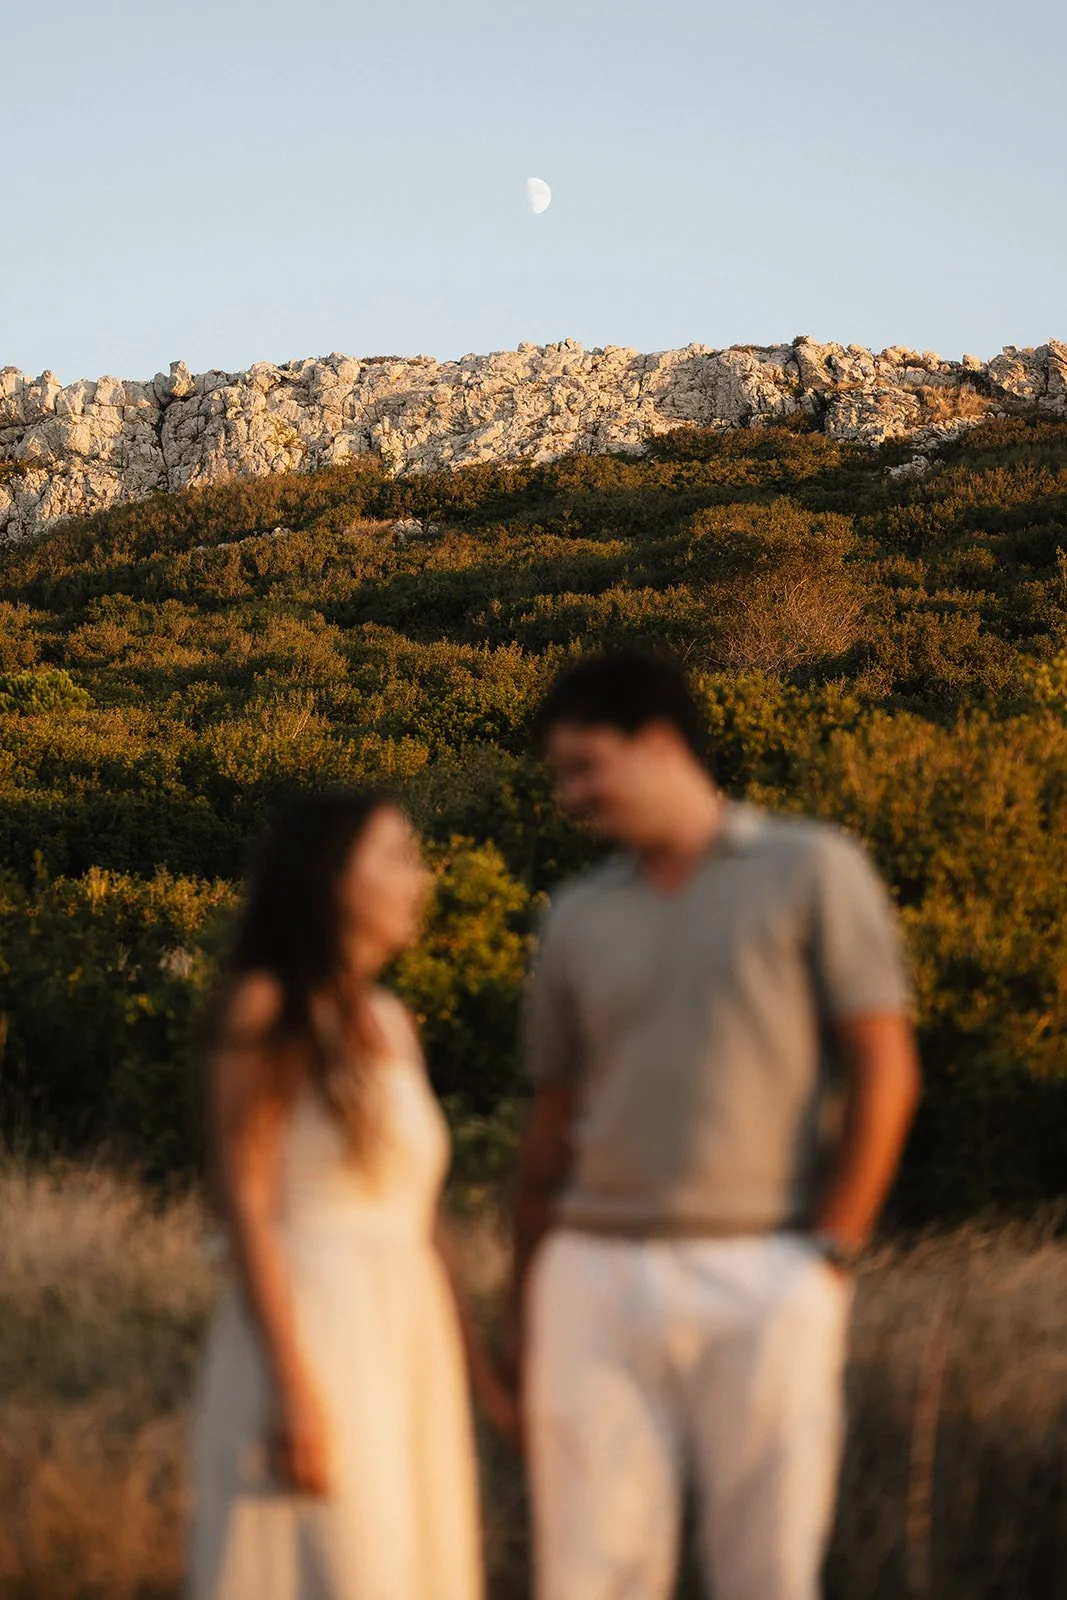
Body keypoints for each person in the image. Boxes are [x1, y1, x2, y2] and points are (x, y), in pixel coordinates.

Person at [509, 651, 921, 1600]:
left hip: (764, 1270)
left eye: (583, 767)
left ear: (657, 743)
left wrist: (829, 1255)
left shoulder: (810, 867)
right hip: (594, 1275)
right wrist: (528, 1293)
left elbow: (884, 1067)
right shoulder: (575, 915)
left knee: (765, 1573)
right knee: (590, 1576)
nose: (569, 797)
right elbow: (552, 1121)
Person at [189, 790, 513, 1600]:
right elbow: (247, 1205)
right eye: (398, 856)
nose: (422, 879)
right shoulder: (265, 1008)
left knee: (410, 1562)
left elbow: (422, 1214)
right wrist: (294, 1387)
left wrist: (480, 1369)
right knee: (342, 1561)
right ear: (331, 878)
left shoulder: (391, 1019)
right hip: (315, 1321)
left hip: (407, 1327)